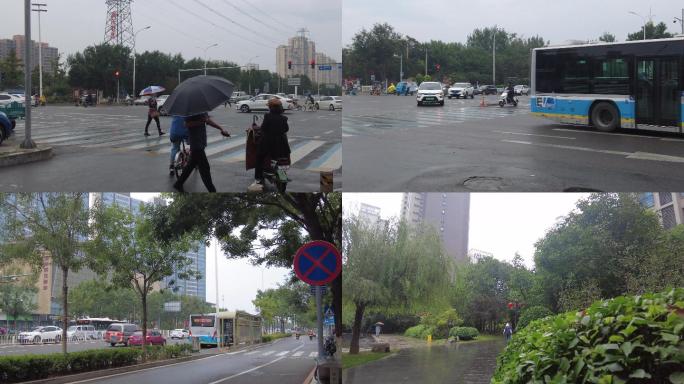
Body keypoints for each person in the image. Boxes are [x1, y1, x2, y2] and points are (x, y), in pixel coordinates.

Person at [173, 113, 230, 192]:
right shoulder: (191, 110)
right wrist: (201, 121)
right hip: (196, 143)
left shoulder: (201, 109)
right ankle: (212, 191)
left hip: (201, 142)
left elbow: (208, 120)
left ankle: (178, 184)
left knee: (190, 166)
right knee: (205, 169)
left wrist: (220, 128)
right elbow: (186, 124)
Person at [254, 98, 291, 185]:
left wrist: (257, 128)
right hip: (281, 144)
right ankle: (282, 176)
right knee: (281, 161)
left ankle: (258, 177)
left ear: (270, 107)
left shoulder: (267, 116)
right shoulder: (284, 118)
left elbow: (263, 128)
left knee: (259, 158)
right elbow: (286, 129)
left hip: (267, 143)